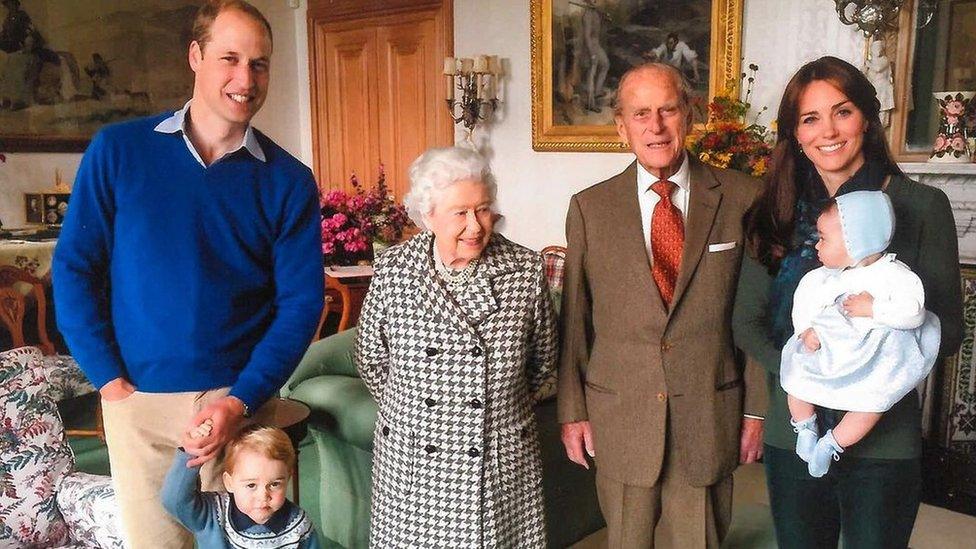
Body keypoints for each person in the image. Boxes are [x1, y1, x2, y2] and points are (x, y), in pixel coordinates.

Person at [51, 1, 324, 547]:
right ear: (196, 57)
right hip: (138, 404)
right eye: (230, 58)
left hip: (241, 405)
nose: (245, 79)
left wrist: (240, 399)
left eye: (260, 64)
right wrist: (108, 380)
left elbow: (300, 304)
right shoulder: (119, 151)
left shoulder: (289, 181)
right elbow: (75, 268)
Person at [733, 56, 962, 548]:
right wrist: (811, 373)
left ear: (867, 119)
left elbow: (950, 334)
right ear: (795, 133)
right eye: (810, 118)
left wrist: (865, 372)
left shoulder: (921, 207)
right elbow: (746, 323)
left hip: (886, 437)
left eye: (843, 112)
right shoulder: (772, 212)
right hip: (793, 430)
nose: (828, 131)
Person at [557, 62, 765, 548]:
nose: (655, 126)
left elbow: (757, 315)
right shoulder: (590, 208)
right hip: (620, 416)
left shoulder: (743, 197)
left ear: (688, 116)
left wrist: (756, 411)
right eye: (641, 113)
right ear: (621, 126)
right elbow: (575, 322)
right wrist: (572, 412)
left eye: (668, 110)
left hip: (709, 413)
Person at [356, 146, 557, 548]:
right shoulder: (394, 269)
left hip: (496, 461)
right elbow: (371, 359)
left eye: (483, 209)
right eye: (460, 213)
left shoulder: (524, 269)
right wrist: (420, 414)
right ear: (428, 215)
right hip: (414, 463)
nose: (476, 226)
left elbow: (543, 362)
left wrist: (496, 409)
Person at [781, 191, 941, 478]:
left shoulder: (895, 276)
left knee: (872, 403)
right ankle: (805, 426)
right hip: (828, 350)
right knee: (795, 378)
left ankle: (832, 443)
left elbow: (913, 312)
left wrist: (874, 308)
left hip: (871, 358)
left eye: (824, 238)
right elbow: (803, 304)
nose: (816, 244)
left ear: (857, 241)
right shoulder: (822, 277)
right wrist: (805, 331)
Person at [162, 424, 321, 548]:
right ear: (229, 483)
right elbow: (175, 500)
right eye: (251, 485)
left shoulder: (298, 525)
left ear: (288, 479)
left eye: (274, 484)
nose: (263, 496)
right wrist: (193, 452)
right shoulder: (213, 514)